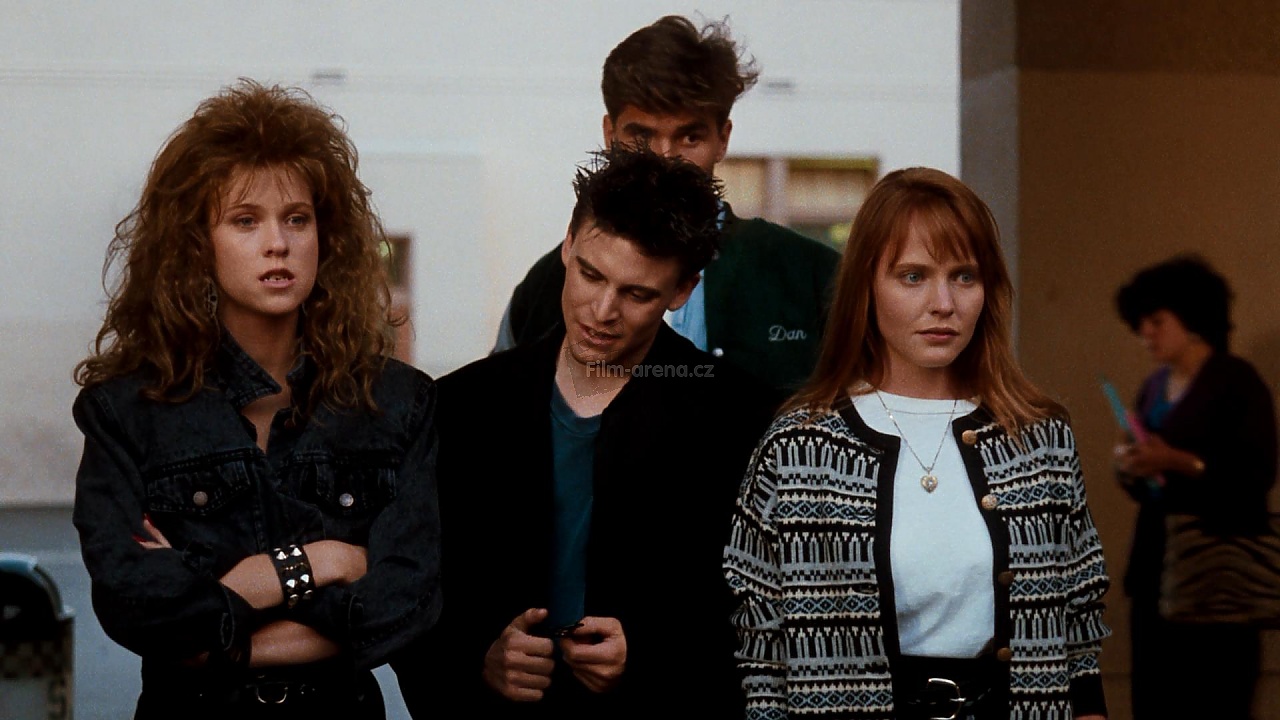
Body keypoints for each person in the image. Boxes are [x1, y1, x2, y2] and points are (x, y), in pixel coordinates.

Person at [71, 80, 441, 719]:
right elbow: (141, 610)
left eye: (297, 218)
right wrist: (321, 562)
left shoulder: (396, 403)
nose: (278, 243)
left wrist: (220, 620)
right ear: (197, 243)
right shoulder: (127, 411)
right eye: (246, 220)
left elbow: (404, 606)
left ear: (326, 235)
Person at [396, 146, 774, 719]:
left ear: (683, 290)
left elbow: (762, 613)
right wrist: (477, 657)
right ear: (567, 245)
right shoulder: (462, 405)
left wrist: (651, 656)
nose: (601, 310)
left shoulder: (737, 417)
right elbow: (409, 588)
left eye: (636, 293)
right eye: (590, 274)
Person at [723, 167, 1111, 720]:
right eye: (912, 276)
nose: (943, 303)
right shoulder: (799, 448)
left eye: (964, 276)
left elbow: (1079, 624)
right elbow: (759, 641)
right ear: (866, 286)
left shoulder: (1038, 439)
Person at [494, 14, 840, 402]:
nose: (663, 158)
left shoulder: (813, 277)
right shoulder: (544, 288)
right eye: (641, 136)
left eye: (689, 137)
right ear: (609, 134)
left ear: (723, 139)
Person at [1113, 255, 1276, 720]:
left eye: (1156, 322)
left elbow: (1257, 474)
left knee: (1215, 697)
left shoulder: (1237, 382)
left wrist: (1180, 462)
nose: (1146, 334)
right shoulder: (1154, 386)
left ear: (1193, 318)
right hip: (1156, 563)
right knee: (1155, 696)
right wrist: (1131, 465)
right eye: (1141, 324)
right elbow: (1148, 480)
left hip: (1216, 571)